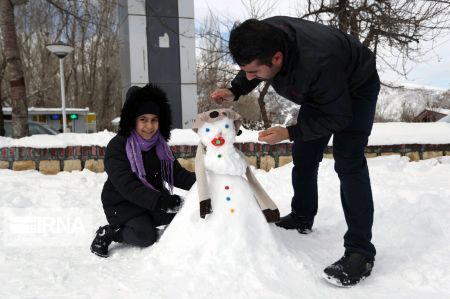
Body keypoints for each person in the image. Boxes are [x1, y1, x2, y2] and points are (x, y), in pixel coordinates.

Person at [211, 17, 380, 286]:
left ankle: (361, 252)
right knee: (304, 154)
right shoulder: (264, 35)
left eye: (254, 72)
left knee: (348, 163)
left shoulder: (318, 61)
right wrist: (236, 88)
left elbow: (338, 117)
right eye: (246, 71)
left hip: (356, 88)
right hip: (321, 90)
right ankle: (302, 215)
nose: (250, 76)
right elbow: (253, 67)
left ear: (276, 58)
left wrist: (289, 132)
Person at [91, 83, 196, 258]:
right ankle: (110, 232)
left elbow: (176, 174)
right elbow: (128, 187)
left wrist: (204, 181)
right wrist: (162, 201)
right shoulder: (117, 147)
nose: (149, 126)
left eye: (154, 120)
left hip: (152, 198)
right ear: (132, 120)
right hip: (122, 204)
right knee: (146, 235)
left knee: (184, 217)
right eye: (143, 119)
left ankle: (151, 216)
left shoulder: (160, 145)